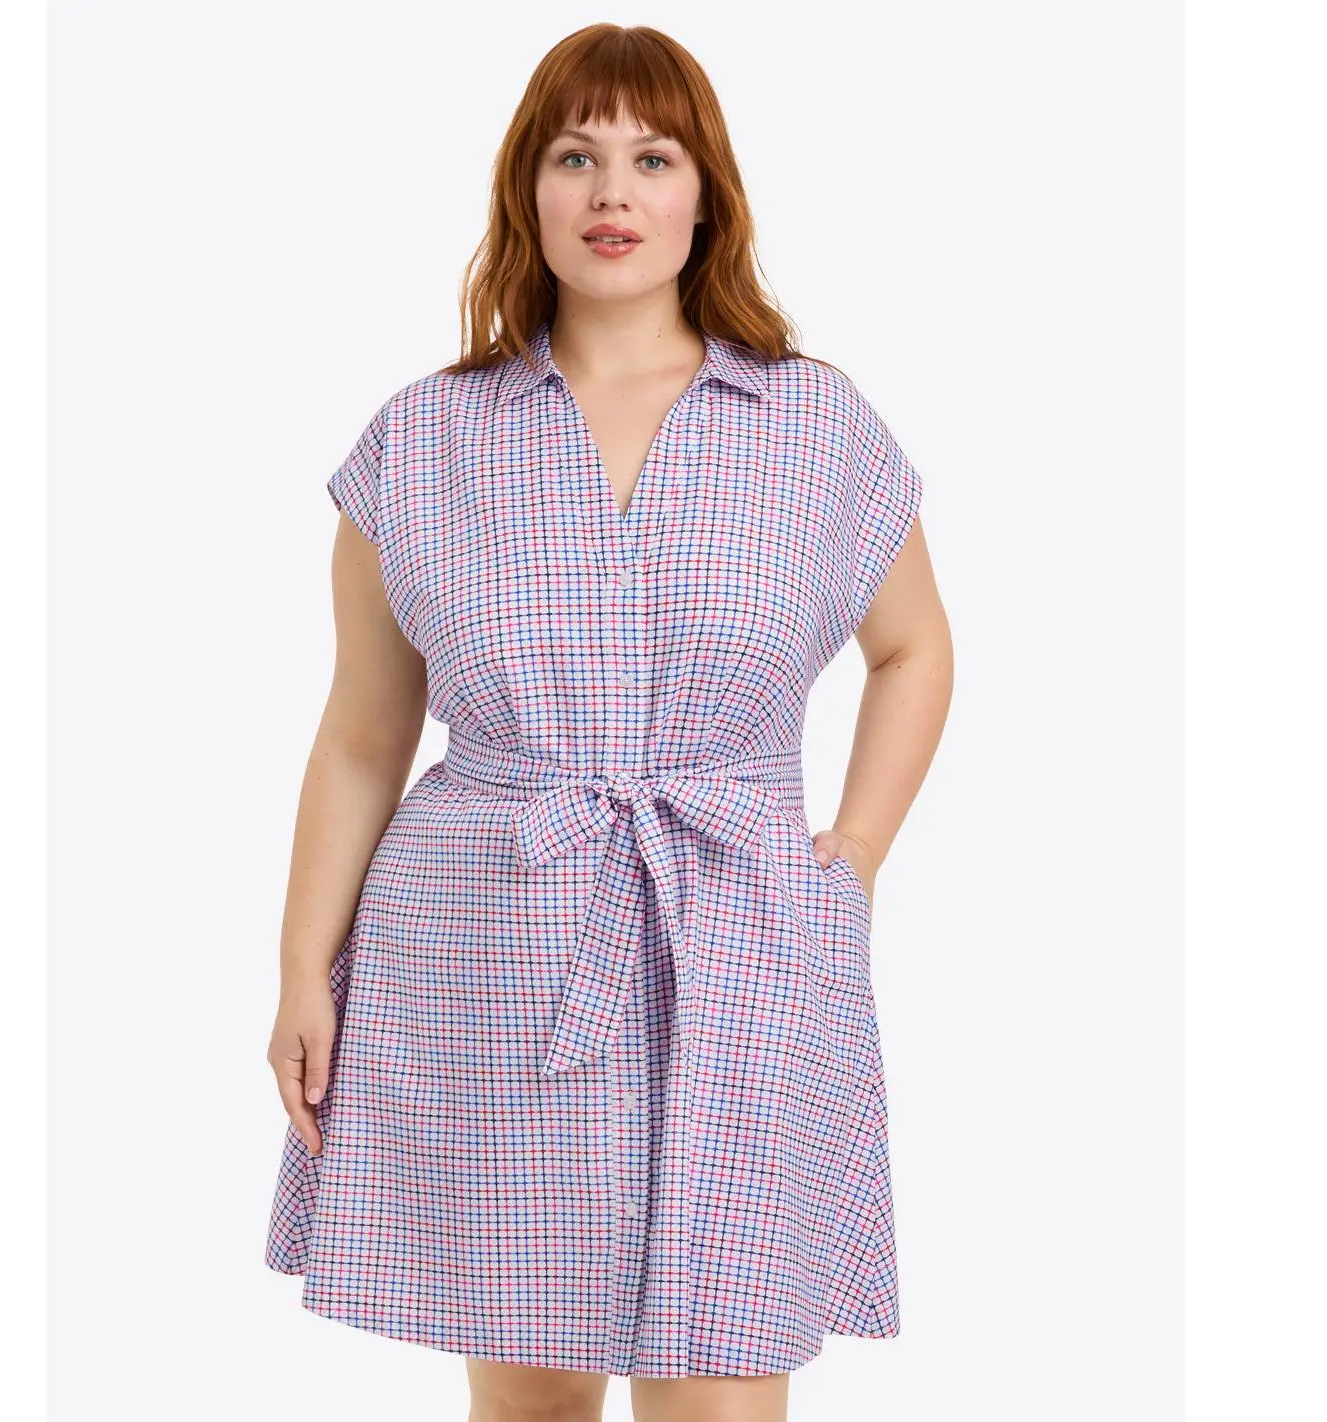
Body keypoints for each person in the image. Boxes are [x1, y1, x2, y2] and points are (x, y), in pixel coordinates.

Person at [264, 21, 952, 1422]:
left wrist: (857, 852)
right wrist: (300, 967)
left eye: (653, 157)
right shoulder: (424, 438)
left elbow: (914, 648)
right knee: (530, 1395)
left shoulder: (815, 425)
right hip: (487, 939)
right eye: (575, 157)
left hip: (743, 933)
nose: (612, 193)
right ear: (527, 188)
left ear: (707, 195)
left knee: (720, 1385)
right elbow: (361, 735)